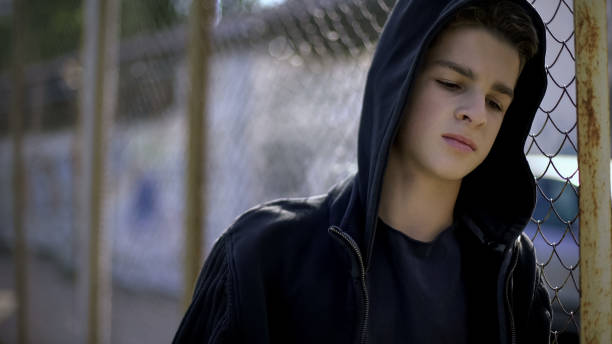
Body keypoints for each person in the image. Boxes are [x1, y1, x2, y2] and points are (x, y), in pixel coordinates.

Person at [173, 0, 552, 343]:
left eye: (496, 102)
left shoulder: (513, 273)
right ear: (397, 81)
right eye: (451, 83)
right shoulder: (262, 253)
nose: (477, 114)